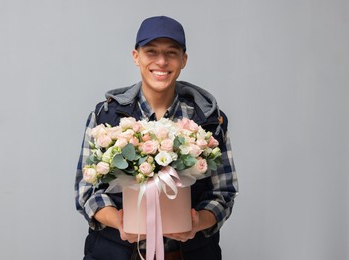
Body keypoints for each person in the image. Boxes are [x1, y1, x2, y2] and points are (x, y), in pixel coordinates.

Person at [75, 16, 238, 260]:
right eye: (151, 51)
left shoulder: (208, 120)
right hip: (116, 252)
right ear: (136, 56)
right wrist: (119, 222)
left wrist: (197, 223)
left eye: (171, 53)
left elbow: (224, 192)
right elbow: (86, 191)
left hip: (187, 254)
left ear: (183, 59)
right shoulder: (105, 117)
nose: (161, 61)